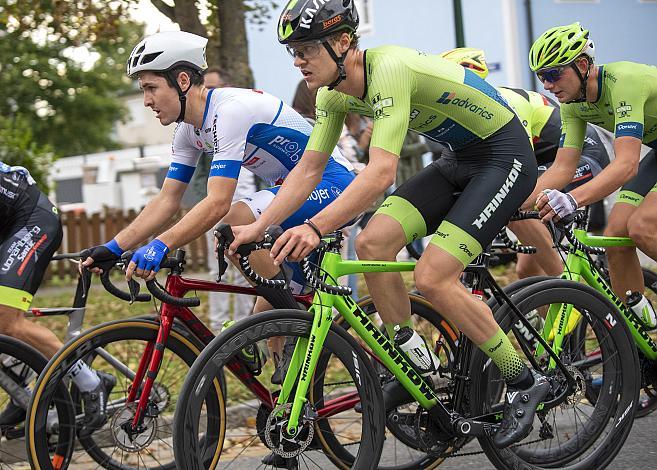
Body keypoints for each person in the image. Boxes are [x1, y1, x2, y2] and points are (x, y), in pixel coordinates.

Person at [231, 0, 549, 448]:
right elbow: (308, 171)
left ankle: (523, 379)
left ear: (343, 43)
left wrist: (316, 226)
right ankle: (411, 355)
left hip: (503, 155)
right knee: (374, 242)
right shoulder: (332, 93)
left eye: (305, 49)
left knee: (433, 276)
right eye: (292, 51)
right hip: (457, 159)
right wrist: (260, 225)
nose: (298, 60)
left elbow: (380, 175)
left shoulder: (389, 69)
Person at [81, 30, 356, 384]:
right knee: (270, 325)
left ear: (182, 80)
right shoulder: (187, 130)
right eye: (143, 90)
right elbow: (167, 200)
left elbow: (217, 203)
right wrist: (115, 247)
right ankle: (295, 403)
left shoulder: (228, 111)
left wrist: (162, 244)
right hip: (290, 195)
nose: (146, 100)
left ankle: (297, 320)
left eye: (151, 88)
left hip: (333, 185)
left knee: (234, 222)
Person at [440, 47, 611, 279]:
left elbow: (515, 167)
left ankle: (577, 293)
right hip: (545, 163)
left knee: (512, 201)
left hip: (586, 156)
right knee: (528, 272)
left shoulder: (505, 102)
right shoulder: (469, 115)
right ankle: (551, 303)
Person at [528, 23, 657, 327]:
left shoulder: (625, 81)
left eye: (553, 74)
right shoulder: (573, 104)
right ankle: (637, 340)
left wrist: (572, 199)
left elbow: (627, 164)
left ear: (582, 65)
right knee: (615, 236)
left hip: (642, 156)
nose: (547, 85)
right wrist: (511, 204)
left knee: (642, 227)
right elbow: (562, 168)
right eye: (541, 76)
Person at [0, 162, 114, 436]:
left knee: (5, 319)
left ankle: (91, 381)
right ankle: (20, 385)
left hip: (31, 219)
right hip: (10, 224)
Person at [200, 68, 257, 330]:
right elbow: (200, 171)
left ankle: (247, 324)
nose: (206, 93)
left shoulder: (237, 117)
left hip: (246, 200)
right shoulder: (201, 128)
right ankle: (218, 326)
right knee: (218, 271)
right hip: (214, 202)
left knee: (246, 268)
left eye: (211, 87)